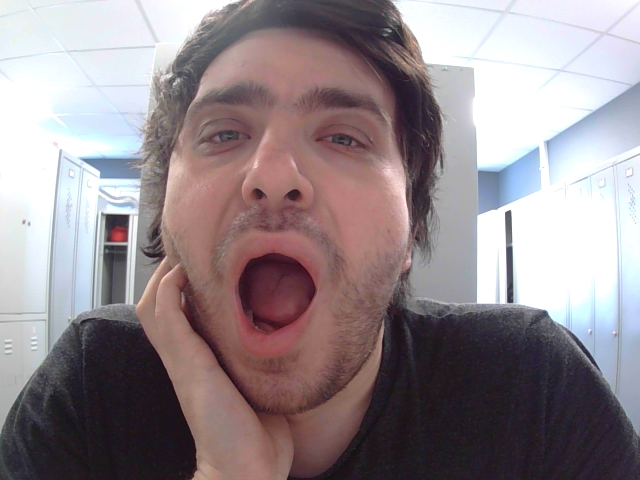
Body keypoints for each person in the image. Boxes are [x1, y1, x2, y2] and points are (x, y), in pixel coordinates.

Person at [1, 0, 639, 478]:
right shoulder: (91, 386)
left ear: (411, 228)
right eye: (224, 133)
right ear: (166, 208)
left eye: (344, 137)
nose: (274, 177)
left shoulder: (531, 385)